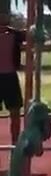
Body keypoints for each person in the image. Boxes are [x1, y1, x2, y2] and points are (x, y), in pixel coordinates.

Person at [0, 13, 26, 144]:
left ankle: (16, 145)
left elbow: (32, 36)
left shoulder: (15, 34)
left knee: (15, 113)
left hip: (10, 77)